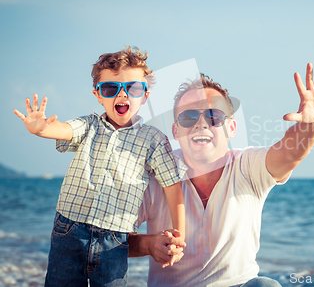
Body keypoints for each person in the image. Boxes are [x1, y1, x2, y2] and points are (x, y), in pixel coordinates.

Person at [129, 63, 314, 287]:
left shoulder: (247, 166)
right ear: (175, 131)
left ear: (231, 128)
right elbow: (106, 237)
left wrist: (312, 125)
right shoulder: (154, 175)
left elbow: (289, 153)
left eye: (214, 116)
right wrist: (148, 245)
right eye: (188, 117)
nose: (201, 123)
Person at [13, 47, 185, 287]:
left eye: (133, 88)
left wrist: (179, 236)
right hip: (68, 231)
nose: (122, 95)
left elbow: (172, 188)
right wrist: (40, 129)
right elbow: (63, 129)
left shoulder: (153, 140)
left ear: (144, 95)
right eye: (110, 88)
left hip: (115, 239)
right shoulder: (89, 125)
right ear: (98, 95)